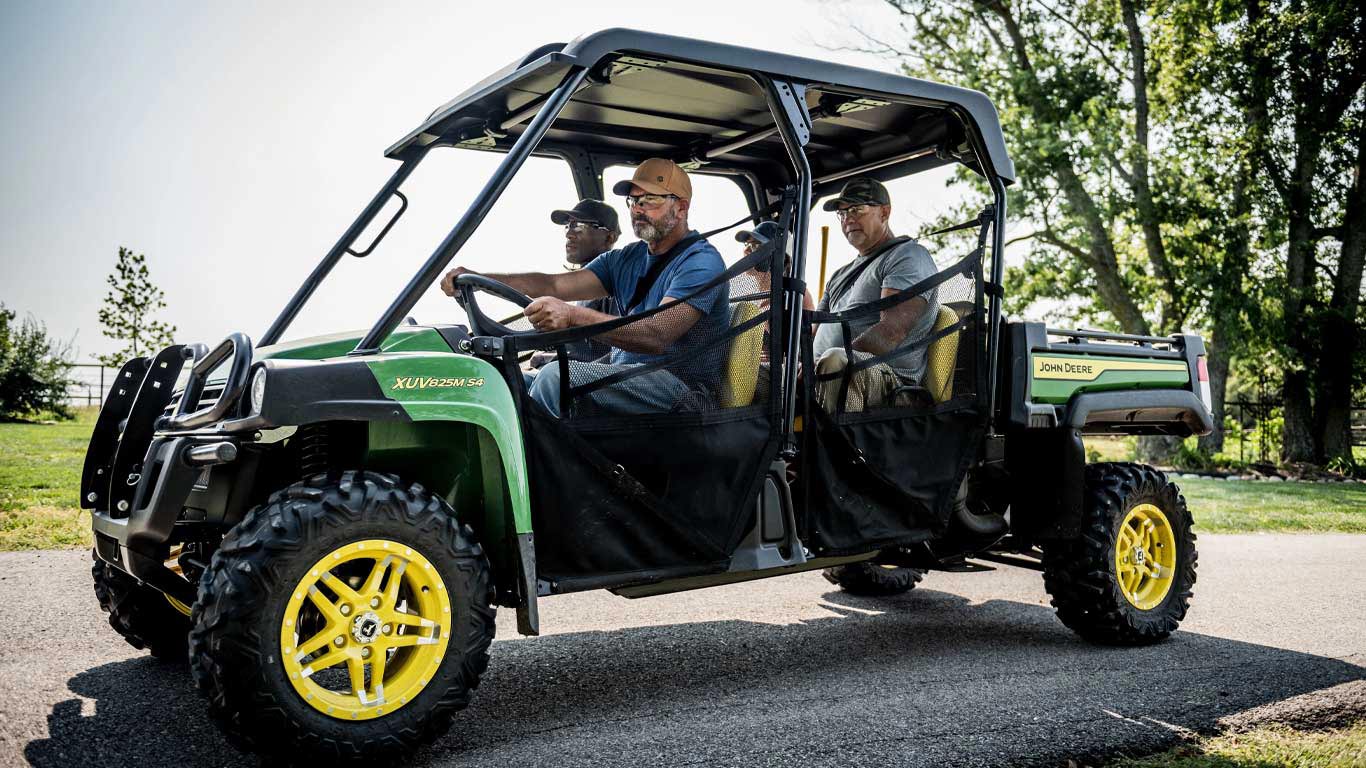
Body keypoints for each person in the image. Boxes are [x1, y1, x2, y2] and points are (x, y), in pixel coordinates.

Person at [439, 158, 729, 417]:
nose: (638, 209)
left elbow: (656, 334)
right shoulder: (627, 258)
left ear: (681, 208)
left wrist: (573, 316)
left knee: (556, 378)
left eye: (650, 200)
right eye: (633, 200)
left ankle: (545, 476)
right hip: (626, 375)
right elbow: (554, 284)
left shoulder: (701, 263)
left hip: (682, 389)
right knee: (507, 381)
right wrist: (480, 278)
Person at [812, 177, 940, 412]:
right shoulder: (839, 274)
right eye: (841, 213)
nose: (847, 219)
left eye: (856, 209)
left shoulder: (907, 256)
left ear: (884, 212)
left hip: (885, 379)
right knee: (758, 375)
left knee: (835, 362)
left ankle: (825, 446)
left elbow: (891, 332)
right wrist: (798, 363)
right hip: (821, 372)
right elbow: (814, 328)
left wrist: (819, 366)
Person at [527, 199, 621, 368]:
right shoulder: (582, 288)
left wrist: (560, 364)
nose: (569, 234)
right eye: (568, 225)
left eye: (579, 226)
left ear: (609, 237)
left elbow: (617, 354)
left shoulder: (615, 287)